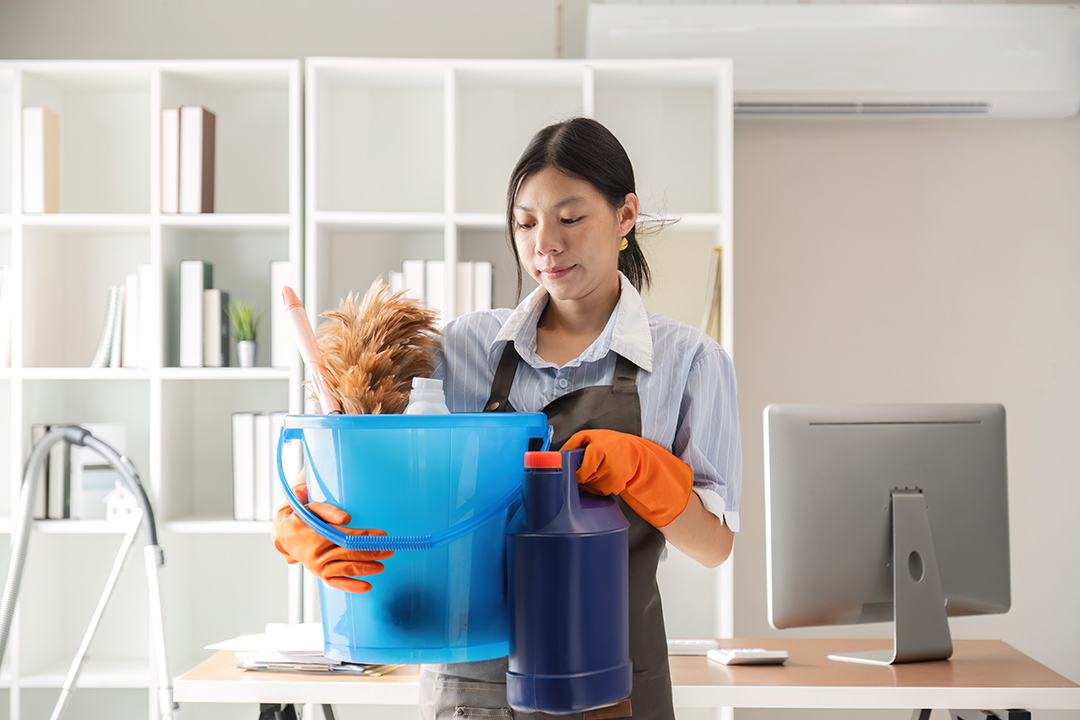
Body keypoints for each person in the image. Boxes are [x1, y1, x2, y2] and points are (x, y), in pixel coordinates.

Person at [272, 117, 742, 720]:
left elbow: (714, 546)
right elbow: (371, 480)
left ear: (626, 216)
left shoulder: (691, 362)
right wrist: (300, 523)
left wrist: (645, 471)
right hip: (473, 690)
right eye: (525, 222)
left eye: (570, 218)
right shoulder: (459, 351)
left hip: (611, 688)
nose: (545, 243)